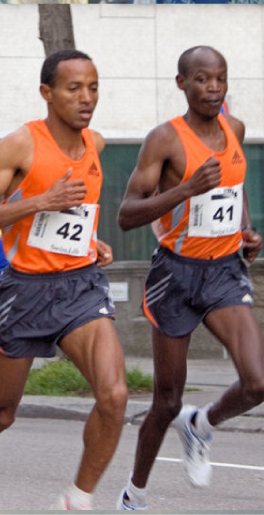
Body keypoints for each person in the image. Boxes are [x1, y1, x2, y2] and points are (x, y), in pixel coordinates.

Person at [0, 49, 127, 511]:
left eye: (93, 87)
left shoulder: (96, 145)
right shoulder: (21, 144)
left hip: (80, 285)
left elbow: (75, 216)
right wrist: (39, 202)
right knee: (1, 412)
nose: (86, 98)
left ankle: (77, 500)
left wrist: (92, 240)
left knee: (115, 394)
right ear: (47, 93)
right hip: (24, 291)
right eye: (74, 88)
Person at [115, 46, 264, 510]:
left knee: (258, 383)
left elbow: (234, 187)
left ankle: (204, 424)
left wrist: (244, 230)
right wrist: (185, 188)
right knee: (166, 401)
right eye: (202, 79)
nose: (213, 88)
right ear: (182, 84)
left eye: (220, 78)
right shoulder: (164, 139)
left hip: (223, 270)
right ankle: (134, 494)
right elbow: (125, 215)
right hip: (174, 276)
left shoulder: (234, 129)